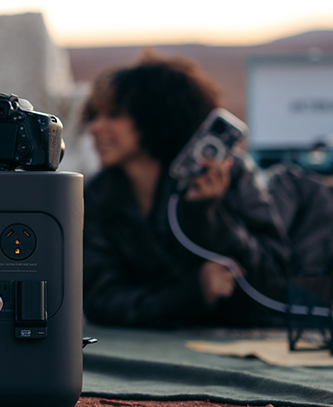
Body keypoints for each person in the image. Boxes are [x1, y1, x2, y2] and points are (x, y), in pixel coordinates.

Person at [81, 52, 290, 328]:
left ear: (153, 116)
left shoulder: (226, 172)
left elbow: (272, 281)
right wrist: (191, 293)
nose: (95, 127)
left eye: (114, 115)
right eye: (94, 115)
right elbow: (99, 299)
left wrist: (207, 216)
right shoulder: (97, 195)